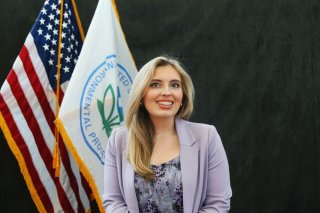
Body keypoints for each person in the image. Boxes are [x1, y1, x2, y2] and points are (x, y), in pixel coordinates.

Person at [103, 56, 232, 213]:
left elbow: (218, 203)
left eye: (175, 85)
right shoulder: (119, 139)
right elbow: (113, 201)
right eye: (155, 84)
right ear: (141, 95)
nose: (167, 92)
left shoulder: (207, 136)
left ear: (182, 95)